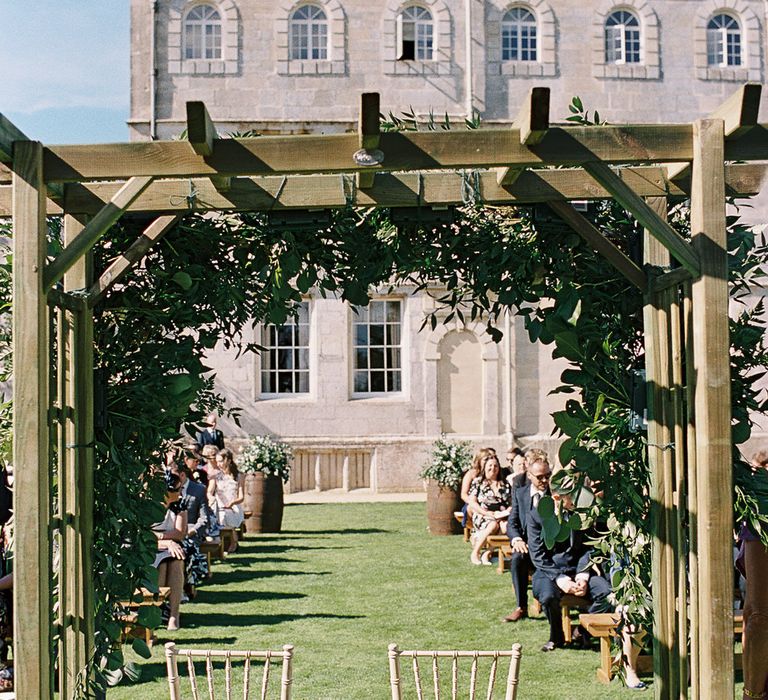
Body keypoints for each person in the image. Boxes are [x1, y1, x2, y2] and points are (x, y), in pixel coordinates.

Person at [527, 489, 612, 652]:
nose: (576, 501)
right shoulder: (536, 516)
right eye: (571, 497)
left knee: (606, 592)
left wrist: (583, 575)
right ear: (557, 498)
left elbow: (589, 546)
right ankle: (556, 636)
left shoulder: (580, 514)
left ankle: (582, 630)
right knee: (547, 596)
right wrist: (560, 579)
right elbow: (537, 555)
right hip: (549, 572)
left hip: (578, 568)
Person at [503, 456, 551, 622]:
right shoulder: (521, 493)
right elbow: (512, 522)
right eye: (540, 477)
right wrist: (516, 539)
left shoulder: (555, 495)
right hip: (527, 548)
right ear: (529, 475)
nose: (544, 480)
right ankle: (521, 606)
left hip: (550, 549)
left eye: (547, 475)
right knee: (517, 557)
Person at [739, 455, 768, 700]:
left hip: (759, 495)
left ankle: (753, 693)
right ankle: (753, 693)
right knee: (756, 615)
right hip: (761, 499)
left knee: (757, 615)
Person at [168, 460, 211, 594]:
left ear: (181, 475)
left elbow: (204, 519)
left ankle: (187, 585)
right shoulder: (166, 489)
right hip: (171, 531)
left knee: (186, 548)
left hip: (191, 531)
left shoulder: (198, 489)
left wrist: (192, 531)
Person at [152, 470, 187, 631]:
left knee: (176, 561)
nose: (180, 493)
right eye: (177, 490)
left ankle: (174, 615)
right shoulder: (151, 506)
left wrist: (165, 540)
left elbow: (180, 532)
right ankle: (155, 610)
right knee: (163, 565)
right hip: (151, 549)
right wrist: (166, 542)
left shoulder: (180, 505)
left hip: (170, 547)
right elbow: (144, 536)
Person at [467, 453, 511, 566]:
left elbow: (511, 503)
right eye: (490, 466)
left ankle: (488, 552)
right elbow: (472, 502)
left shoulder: (505, 484)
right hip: (482, 514)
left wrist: (507, 511)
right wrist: (486, 513)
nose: (493, 468)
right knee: (493, 525)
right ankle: (475, 552)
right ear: (485, 468)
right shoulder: (478, 482)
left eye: (495, 466)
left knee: (505, 527)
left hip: (501, 515)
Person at [209, 448, 245, 553]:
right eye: (217, 461)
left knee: (226, 515)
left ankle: (232, 543)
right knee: (220, 514)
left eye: (221, 461)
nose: (218, 464)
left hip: (233, 506)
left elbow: (241, 497)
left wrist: (232, 503)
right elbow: (209, 491)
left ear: (228, 461)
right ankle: (222, 543)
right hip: (219, 506)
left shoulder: (238, 476)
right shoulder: (216, 475)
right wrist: (211, 498)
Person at [460, 447, 496, 530]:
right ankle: (478, 528)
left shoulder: (493, 472)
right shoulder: (472, 473)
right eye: (485, 459)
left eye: (490, 459)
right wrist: (474, 502)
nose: (488, 461)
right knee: (471, 508)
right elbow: (464, 494)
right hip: (473, 502)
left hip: (490, 501)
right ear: (479, 460)